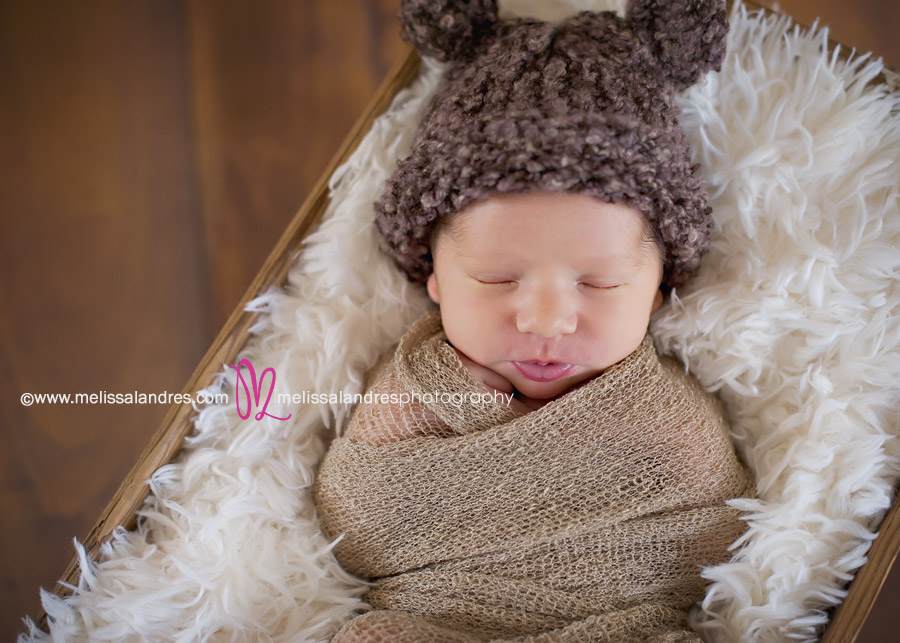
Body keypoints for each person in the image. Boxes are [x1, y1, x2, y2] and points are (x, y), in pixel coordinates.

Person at [314, 0, 755, 640]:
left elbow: (713, 526)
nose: (547, 320)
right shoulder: (415, 387)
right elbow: (356, 520)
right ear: (433, 281)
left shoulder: (667, 417)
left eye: (599, 284)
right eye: (496, 279)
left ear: (658, 293)